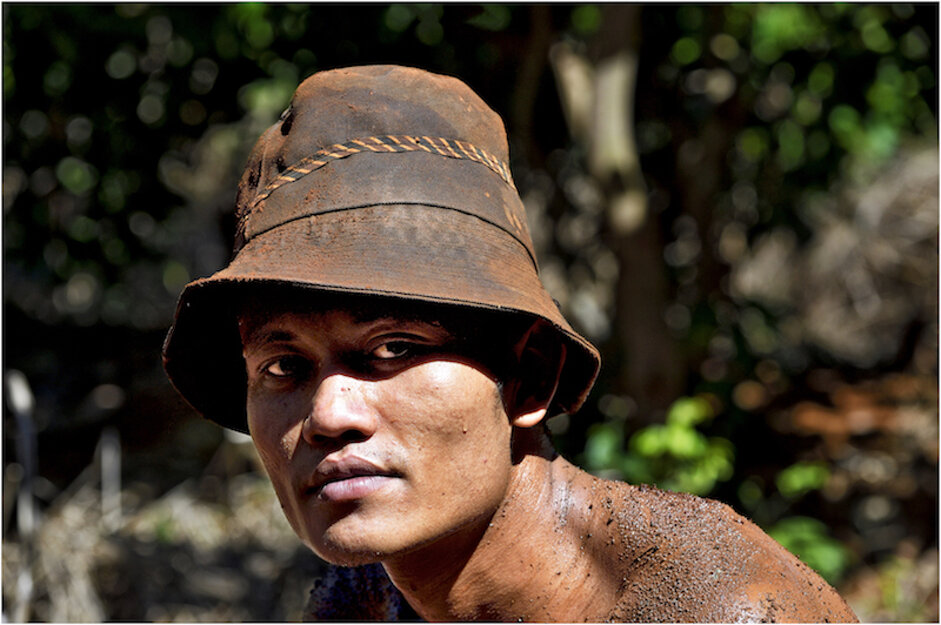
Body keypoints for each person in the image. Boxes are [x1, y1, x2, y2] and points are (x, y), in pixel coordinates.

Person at [163, 65, 857, 622]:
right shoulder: (366, 597)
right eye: (284, 365)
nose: (328, 414)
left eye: (394, 348)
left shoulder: (716, 609)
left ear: (529, 376)